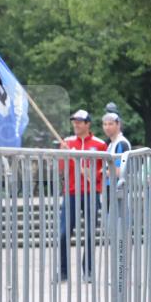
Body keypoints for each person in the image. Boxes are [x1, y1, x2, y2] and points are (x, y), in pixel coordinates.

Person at [58, 110, 106, 282]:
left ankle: (89, 271)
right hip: (71, 193)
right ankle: (63, 272)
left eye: (79, 122)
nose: (76, 124)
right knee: (63, 233)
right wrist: (63, 154)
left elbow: (104, 168)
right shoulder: (67, 142)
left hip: (91, 193)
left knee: (91, 232)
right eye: (74, 122)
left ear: (88, 124)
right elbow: (60, 169)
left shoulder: (100, 144)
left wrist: (94, 174)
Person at [101, 111, 131, 183]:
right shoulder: (111, 144)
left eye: (110, 124)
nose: (107, 127)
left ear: (118, 125)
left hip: (117, 188)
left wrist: (99, 172)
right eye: (105, 124)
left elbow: (118, 171)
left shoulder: (121, 143)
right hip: (109, 186)